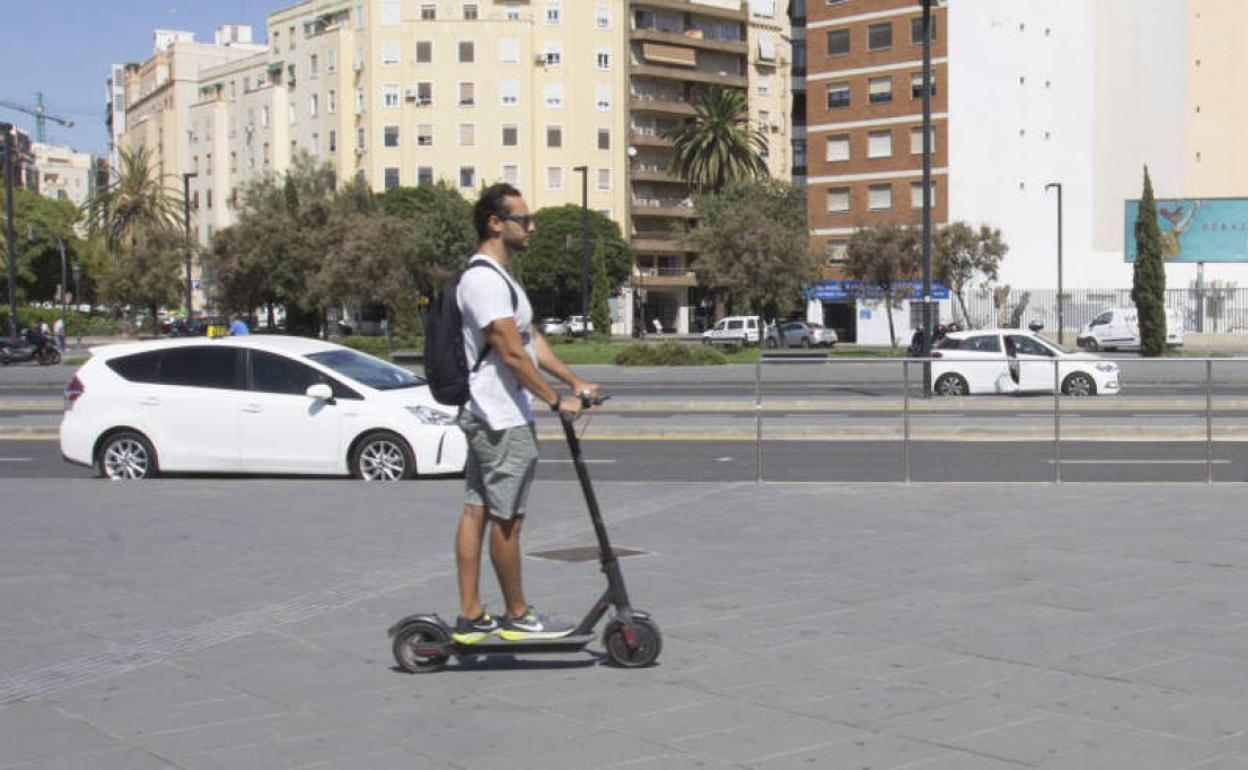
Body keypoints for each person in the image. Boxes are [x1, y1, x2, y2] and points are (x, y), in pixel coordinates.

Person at [452, 183, 599, 644]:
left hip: (495, 413)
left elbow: (532, 341)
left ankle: (473, 616)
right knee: (505, 517)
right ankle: (516, 614)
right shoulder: (482, 280)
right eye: (524, 220)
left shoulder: (502, 278)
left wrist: (573, 382)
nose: (531, 227)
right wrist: (557, 402)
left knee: (478, 509)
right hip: (499, 418)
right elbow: (511, 353)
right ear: (496, 223)